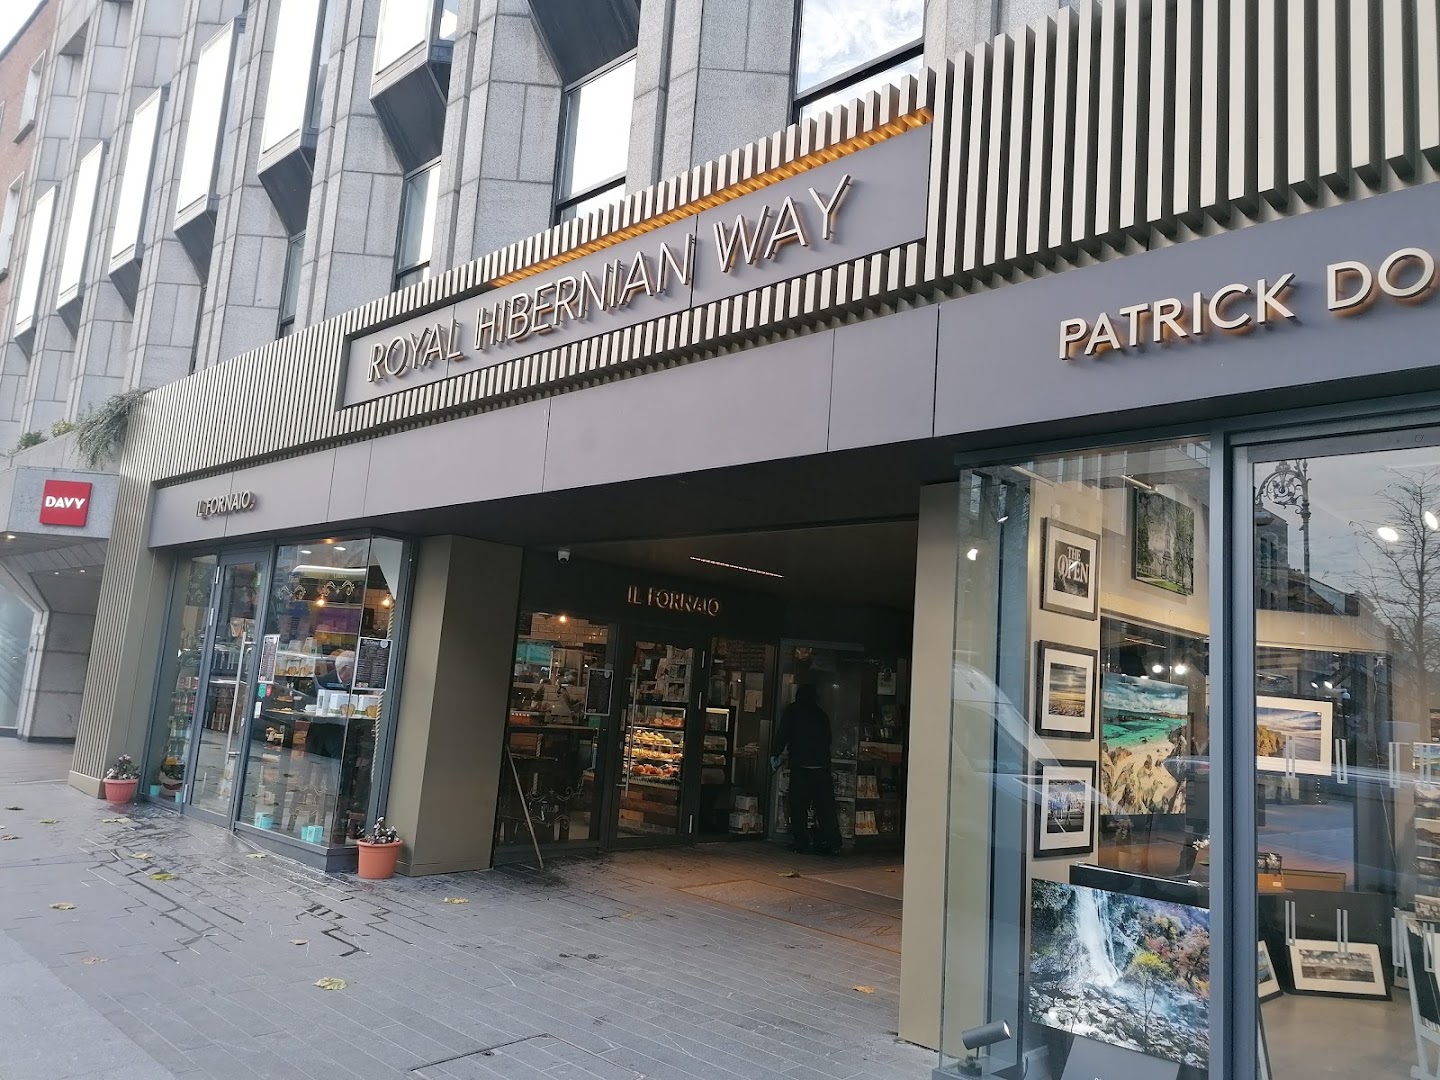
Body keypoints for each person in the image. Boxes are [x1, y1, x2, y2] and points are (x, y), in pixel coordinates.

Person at [771, 683, 841, 855]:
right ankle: (832, 842)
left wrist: (775, 753)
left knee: (798, 807)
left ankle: (802, 842)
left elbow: (783, 734)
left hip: (801, 766)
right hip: (821, 767)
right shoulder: (821, 715)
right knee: (825, 808)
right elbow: (828, 740)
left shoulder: (793, 711)